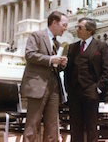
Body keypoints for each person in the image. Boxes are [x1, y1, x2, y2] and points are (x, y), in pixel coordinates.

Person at [21, 11, 69, 142]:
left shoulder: (58, 44)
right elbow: (29, 55)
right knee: (32, 124)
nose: (66, 28)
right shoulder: (36, 36)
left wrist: (61, 64)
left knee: (53, 127)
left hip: (54, 89)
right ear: (54, 22)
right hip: (37, 86)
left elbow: (55, 67)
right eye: (64, 25)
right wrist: (50, 59)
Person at [64, 17, 108, 142]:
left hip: (91, 93)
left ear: (89, 30)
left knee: (92, 127)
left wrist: (97, 89)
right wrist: (68, 89)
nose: (77, 30)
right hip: (75, 93)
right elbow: (68, 71)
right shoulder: (72, 47)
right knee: (75, 127)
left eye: (80, 27)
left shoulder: (101, 46)